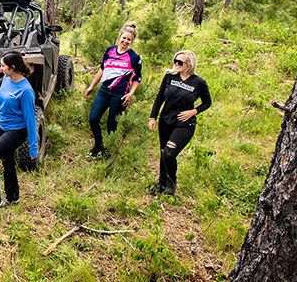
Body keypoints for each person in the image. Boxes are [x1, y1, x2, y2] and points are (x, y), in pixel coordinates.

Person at [0, 52, 38, 214]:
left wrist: (33, 147)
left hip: (16, 130)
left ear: (13, 68)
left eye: (3, 66)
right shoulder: (6, 79)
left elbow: (31, 120)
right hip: (1, 126)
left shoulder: (26, 91)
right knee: (7, 161)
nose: (1, 68)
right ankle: (12, 196)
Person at [148, 51, 212, 196]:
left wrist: (193, 111)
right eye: (175, 61)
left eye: (180, 62)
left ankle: (171, 183)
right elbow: (159, 98)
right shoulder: (169, 76)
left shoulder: (198, 82)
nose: (176, 64)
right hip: (166, 120)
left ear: (189, 64)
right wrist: (153, 117)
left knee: (169, 154)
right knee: (163, 152)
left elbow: (207, 102)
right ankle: (161, 183)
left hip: (184, 124)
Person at [84, 22, 142, 157]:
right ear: (119, 37)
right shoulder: (110, 51)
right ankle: (98, 146)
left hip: (119, 94)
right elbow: (102, 70)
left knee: (112, 125)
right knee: (93, 119)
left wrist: (130, 94)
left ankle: (108, 152)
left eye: (129, 40)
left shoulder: (134, 58)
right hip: (104, 90)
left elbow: (137, 78)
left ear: (132, 42)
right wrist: (92, 86)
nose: (125, 41)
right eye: (124, 38)